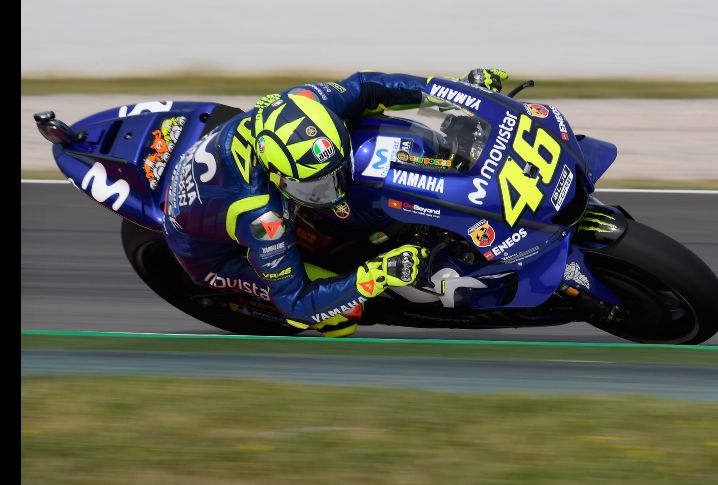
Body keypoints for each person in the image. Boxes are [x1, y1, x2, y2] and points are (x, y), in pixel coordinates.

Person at [163, 68, 509, 337]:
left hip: (217, 157)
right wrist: (378, 274)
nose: (336, 190)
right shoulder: (261, 216)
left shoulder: (307, 103)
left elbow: (368, 86)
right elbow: (296, 303)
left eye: (335, 174)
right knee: (340, 319)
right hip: (210, 253)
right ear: (277, 176)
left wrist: (454, 91)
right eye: (319, 184)